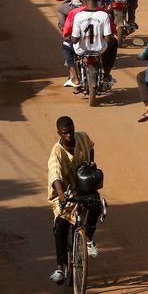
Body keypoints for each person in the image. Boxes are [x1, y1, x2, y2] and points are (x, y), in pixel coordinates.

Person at [47, 116, 101, 284]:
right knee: (60, 225)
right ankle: (60, 267)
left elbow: (91, 146)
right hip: (63, 193)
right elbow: (55, 176)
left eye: (71, 131)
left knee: (96, 205)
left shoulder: (82, 137)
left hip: (83, 188)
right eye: (66, 133)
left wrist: (91, 161)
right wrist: (62, 195)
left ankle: (88, 239)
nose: (70, 135)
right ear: (59, 133)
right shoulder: (56, 152)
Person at [67, 0, 117, 89]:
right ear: (98, 1)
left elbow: (75, 40)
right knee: (114, 43)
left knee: (65, 45)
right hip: (100, 50)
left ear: (85, 1)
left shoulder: (78, 16)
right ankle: (106, 75)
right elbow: (107, 38)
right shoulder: (104, 15)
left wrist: (73, 38)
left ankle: (75, 77)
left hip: (81, 50)